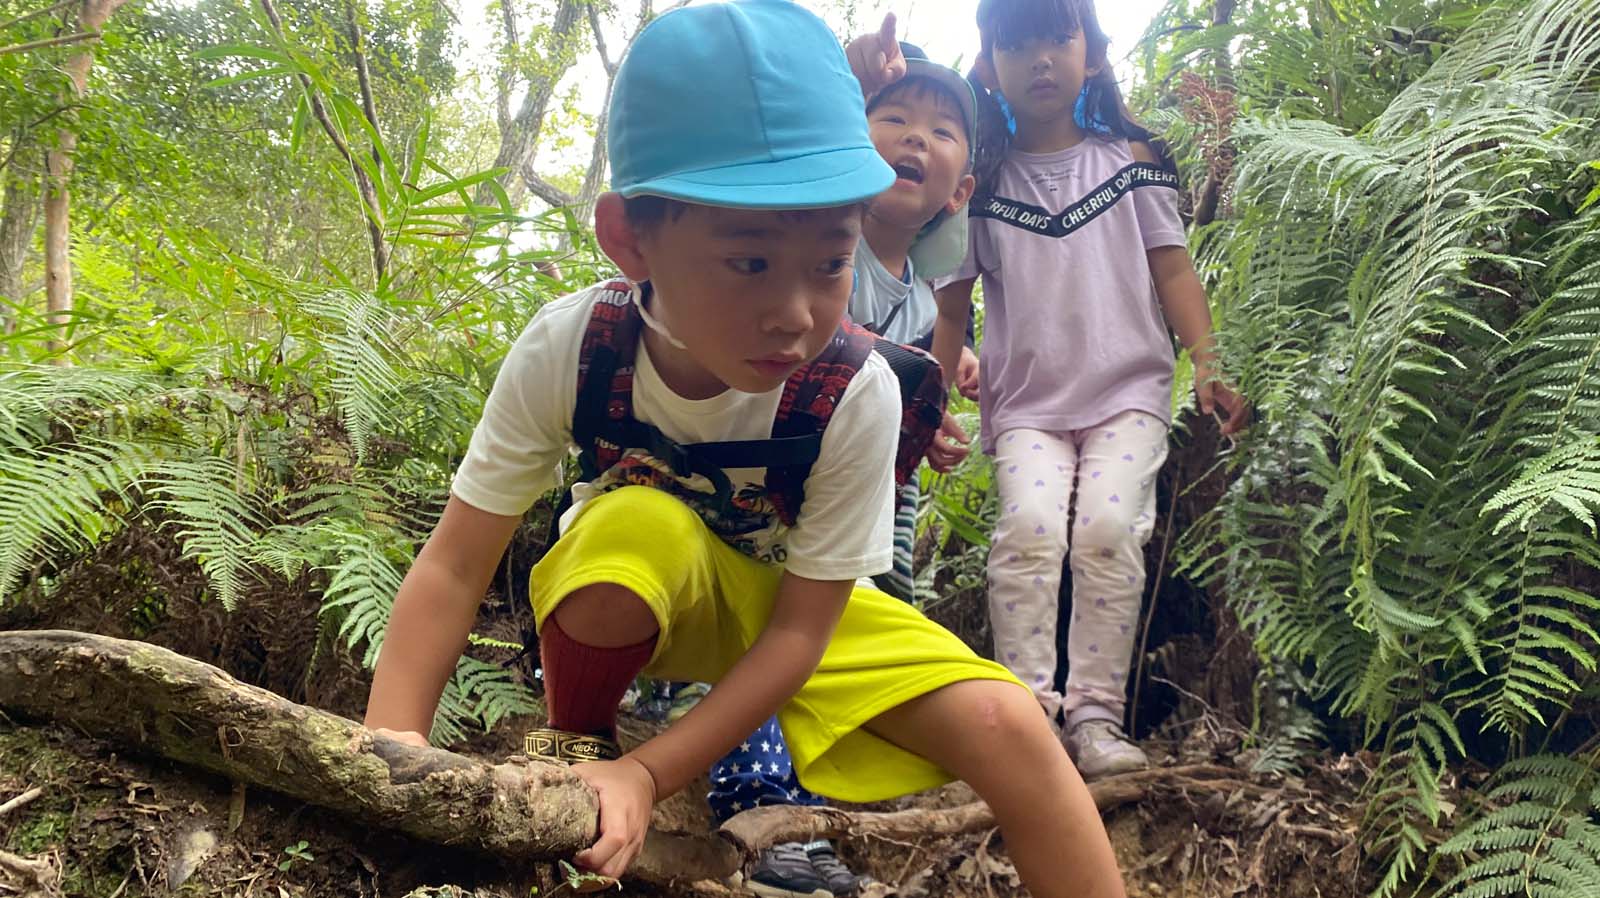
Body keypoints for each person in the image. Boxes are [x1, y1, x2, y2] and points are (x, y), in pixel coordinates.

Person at [361, 2, 1125, 895]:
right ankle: (577, 744)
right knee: (632, 529)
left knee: (1010, 723)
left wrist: (654, 775)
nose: (796, 313)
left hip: (786, 610)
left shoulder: (853, 392)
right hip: (640, 591)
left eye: (831, 263)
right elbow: (456, 566)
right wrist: (390, 751)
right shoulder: (576, 347)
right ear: (629, 241)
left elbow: (804, 631)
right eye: (750, 263)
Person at [897, 0, 1249, 780]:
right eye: (1016, 44)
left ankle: (1095, 717)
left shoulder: (1132, 160)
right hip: (1024, 406)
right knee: (1026, 533)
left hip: (1128, 392)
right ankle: (1027, 723)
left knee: (1106, 533)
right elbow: (951, 306)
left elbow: (1172, 268)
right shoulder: (977, 190)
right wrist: (930, 410)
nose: (1041, 59)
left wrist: (1211, 362)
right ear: (989, 67)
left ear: (1093, 51)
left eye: (1058, 37)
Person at [702, 37, 990, 897]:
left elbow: (906, 397)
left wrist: (933, 422)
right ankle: (755, 803)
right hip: (786, 483)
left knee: (858, 635)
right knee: (769, 621)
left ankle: (817, 804)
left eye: (940, 131)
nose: (914, 138)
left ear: (962, 188)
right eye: (893, 119)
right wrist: (845, 93)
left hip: (876, 498)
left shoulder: (913, 291)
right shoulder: (834, 244)